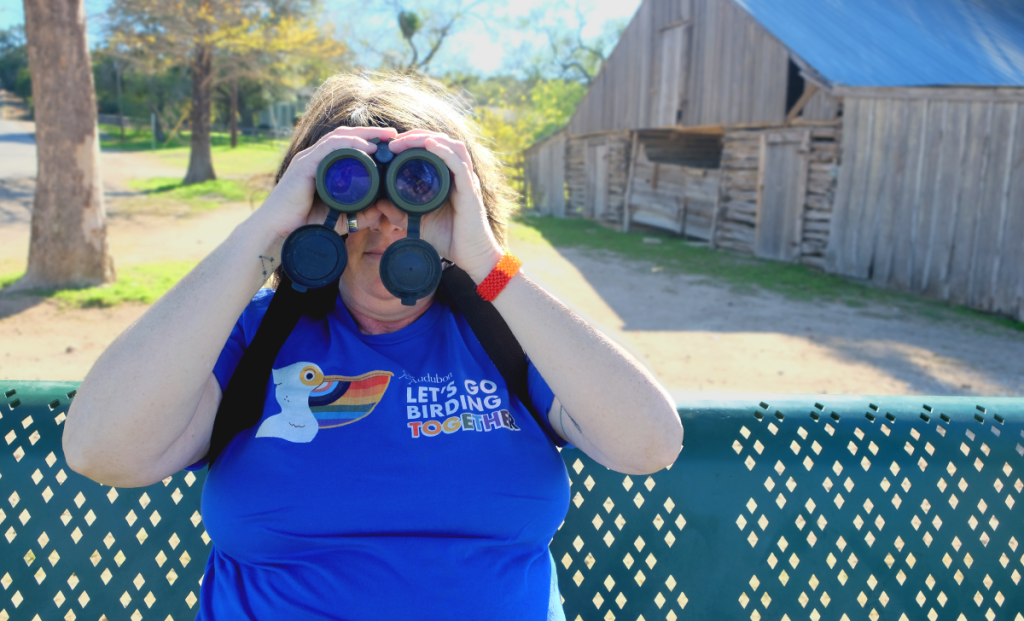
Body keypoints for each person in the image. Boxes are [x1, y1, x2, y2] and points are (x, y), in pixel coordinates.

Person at [63, 73, 683, 620]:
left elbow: (647, 444)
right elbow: (102, 451)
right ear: (306, 203)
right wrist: (262, 237)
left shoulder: (506, 334)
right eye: (349, 186)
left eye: (419, 184)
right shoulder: (255, 337)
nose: (384, 217)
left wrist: (489, 263)